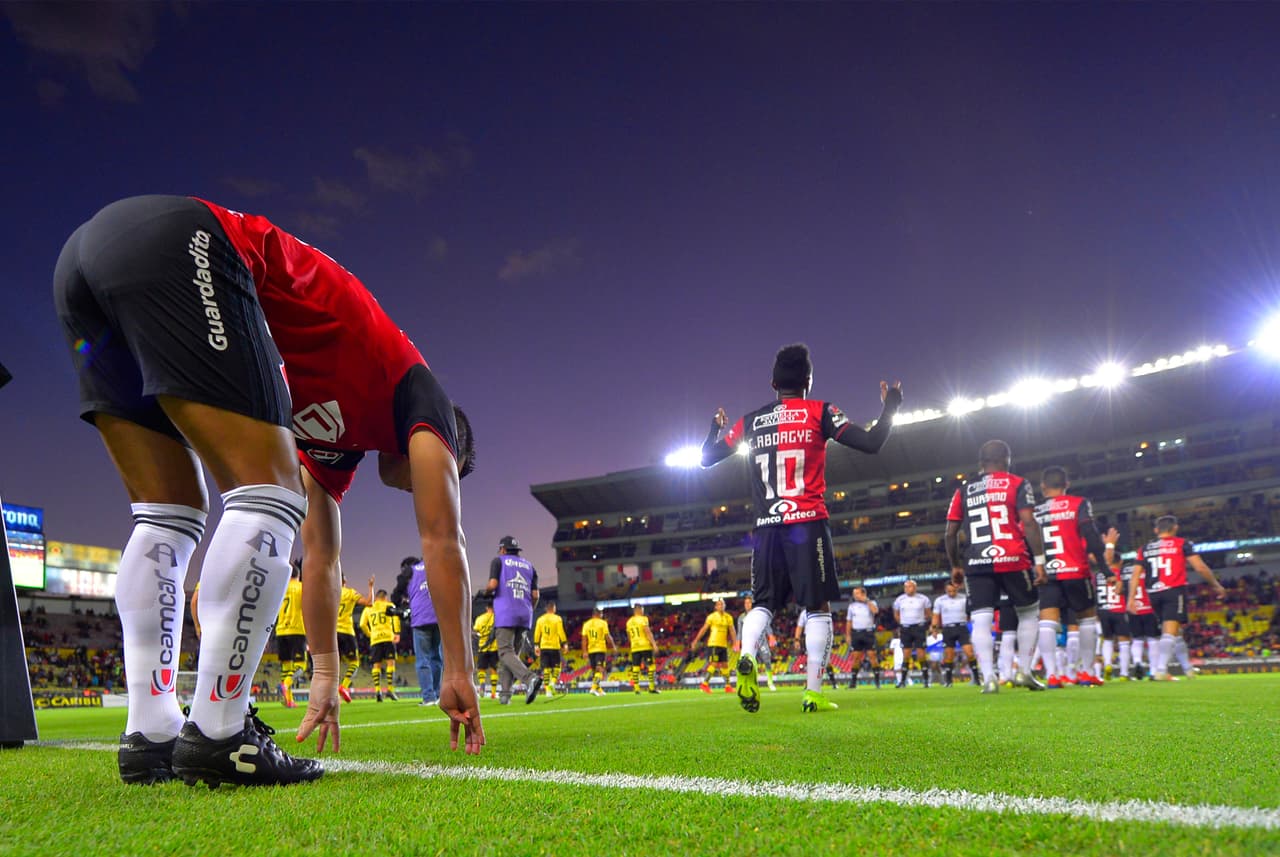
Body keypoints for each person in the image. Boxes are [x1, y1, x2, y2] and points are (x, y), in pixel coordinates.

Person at [54, 195, 483, 787]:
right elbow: (442, 538)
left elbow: (323, 558)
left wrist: (327, 670)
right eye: (450, 473)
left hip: (87, 263)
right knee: (266, 494)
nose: (429, 484)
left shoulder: (341, 438)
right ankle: (221, 733)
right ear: (450, 448)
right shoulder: (419, 393)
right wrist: (460, 667)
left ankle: (150, 731)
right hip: (190, 245)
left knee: (170, 513)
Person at [700, 343, 902, 714]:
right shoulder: (820, 411)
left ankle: (746, 656)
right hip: (807, 523)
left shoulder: (751, 421)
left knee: (763, 603)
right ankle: (812, 693)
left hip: (766, 528)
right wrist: (892, 406)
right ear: (808, 381)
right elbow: (872, 443)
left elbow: (706, 459)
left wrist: (714, 429)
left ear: (773, 382)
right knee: (817, 606)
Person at [944, 440, 1048, 694]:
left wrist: (955, 565)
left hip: (977, 560)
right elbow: (1029, 522)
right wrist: (1040, 561)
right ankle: (1024, 671)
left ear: (981, 463)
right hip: (1013, 557)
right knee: (1028, 612)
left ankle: (989, 678)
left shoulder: (964, 489)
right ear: (1007, 459)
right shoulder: (1018, 483)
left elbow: (949, 533)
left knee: (981, 618)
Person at [1032, 466, 1115, 689]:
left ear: (1043, 487)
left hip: (1047, 573)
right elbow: (1091, 535)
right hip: (1076, 570)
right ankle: (1087, 673)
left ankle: (1052, 675)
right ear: (1066, 484)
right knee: (1086, 620)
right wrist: (1106, 570)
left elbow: (1027, 539)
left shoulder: (1034, 511)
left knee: (1048, 623)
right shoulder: (1079, 503)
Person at [1126, 516, 1226, 680]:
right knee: (1170, 632)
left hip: (1153, 593)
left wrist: (1131, 599)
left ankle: (1188, 669)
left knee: (1175, 632)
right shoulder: (1182, 543)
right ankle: (1160, 670)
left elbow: (1135, 575)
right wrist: (1215, 584)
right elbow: (1200, 567)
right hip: (1173, 591)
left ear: (1156, 530)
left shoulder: (1144, 548)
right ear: (1175, 528)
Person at [485, 536, 543, 704]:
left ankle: (530, 678)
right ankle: (505, 696)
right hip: (525, 614)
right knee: (512, 656)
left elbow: (493, 585)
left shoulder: (498, 561)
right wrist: (529, 610)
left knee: (504, 652)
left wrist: (484, 592)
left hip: (506, 613)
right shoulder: (529, 566)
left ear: (503, 549)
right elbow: (535, 596)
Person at [408, 559, 444, 706]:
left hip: (421, 619)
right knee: (437, 657)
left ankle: (428, 697)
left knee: (423, 660)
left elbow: (405, 592)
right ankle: (436, 695)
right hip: (439, 617)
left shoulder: (413, 570)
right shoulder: (441, 565)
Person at [931, 582, 978, 687]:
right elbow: (935, 616)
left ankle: (976, 679)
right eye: (949, 591)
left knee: (969, 653)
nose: (951, 593)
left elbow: (971, 613)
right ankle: (948, 681)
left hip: (962, 628)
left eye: (953, 591)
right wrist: (934, 629)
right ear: (945, 590)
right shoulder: (940, 600)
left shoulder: (964, 598)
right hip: (948, 629)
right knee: (949, 656)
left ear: (957, 589)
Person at [337, 574, 375, 702]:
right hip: (346, 631)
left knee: (332, 666)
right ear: (345, 581)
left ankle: (328, 695)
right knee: (354, 663)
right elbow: (369, 603)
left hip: (331, 633)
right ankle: (344, 686)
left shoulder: (329, 592)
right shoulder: (350, 593)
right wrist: (371, 587)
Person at [275, 561, 307, 709]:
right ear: (299, 575)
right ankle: (286, 684)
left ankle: (289, 700)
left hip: (281, 631)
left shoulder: (279, 589)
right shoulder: (302, 588)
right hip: (297, 630)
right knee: (301, 666)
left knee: (286, 667)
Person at [359, 589, 400, 701]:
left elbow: (362, 624)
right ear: (385, 597)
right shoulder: (389, 605)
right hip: (388, 637)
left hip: (375, 639)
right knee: (390, 664)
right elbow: (395, 619)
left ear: (376, 597)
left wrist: (370, 634)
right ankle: (390, 690)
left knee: (376, 665)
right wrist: (396, 633)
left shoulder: (368, 607)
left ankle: (378, 692)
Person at [690, 598, 738, 694]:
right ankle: (704, 684)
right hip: (713, 643)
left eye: (722, 604)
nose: (721, 606)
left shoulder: (728, 617)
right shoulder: (711, 617)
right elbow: (704, 629)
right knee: (714, 664)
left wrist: (735, 642)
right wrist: (695, 640)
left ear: (725, 606)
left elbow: (732, 631)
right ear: (716, 607)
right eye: (719, 604)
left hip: (723, 645)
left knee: (725, 665)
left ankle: (728, 686)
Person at [892, 580, 931, 688]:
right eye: (906, 587)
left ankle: (926, 681)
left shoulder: (924, 599)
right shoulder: (899, 599)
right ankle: (902, 681)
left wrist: (921, 622)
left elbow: (928, 614)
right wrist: (903, 622)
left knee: (921, 654)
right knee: (906, 655)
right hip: (906, 629)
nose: (909, 588)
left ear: (915, 587)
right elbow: (896, 614)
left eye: (911, 586)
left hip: (919, 628)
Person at [736, 596, 776, 692]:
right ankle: (749, 683)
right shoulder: (741, 618)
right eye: (746, 603)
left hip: (761, 641)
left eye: (749, 603)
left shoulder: (758, 615)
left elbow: (766, 626)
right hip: (748, 643)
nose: (747, 605)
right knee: (748, 662)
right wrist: (737, 642)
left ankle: (770, 682)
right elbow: (739, 631)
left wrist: (770, 635)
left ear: (752, 604)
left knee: (767, 660)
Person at [844, 587, 880, 689]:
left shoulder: (871, 603)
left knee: (872, 656)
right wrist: (848, 635)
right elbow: (849, 621)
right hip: (856, 633)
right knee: (856, 658)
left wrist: (866, 600)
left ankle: (877, 682)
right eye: (854, 594)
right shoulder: (852, 606)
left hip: (868, 633)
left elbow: (875, 611)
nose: (855, 595)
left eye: (857, 593)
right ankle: (853, 682)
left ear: (863, 594)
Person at [532, 601, 569, 698]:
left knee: (546, 669)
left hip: (544, 647)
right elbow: (561, 632)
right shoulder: (557, 619)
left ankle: (548, 691)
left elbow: (537, 633)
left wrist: (536, 645)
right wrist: (564, 643)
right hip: (554, 646)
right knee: (557, 668)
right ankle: (553, 683)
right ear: (553, 608)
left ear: (546, 609)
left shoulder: (540, 619)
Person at [581, 607, 617, 697]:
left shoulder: (586, 624)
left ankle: (599, 690)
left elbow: (584, 640)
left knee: (595, 671)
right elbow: (607, 636)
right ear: (598, 614)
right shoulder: (602, 623)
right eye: (601, 614)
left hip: (591, 650)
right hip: (600, 649)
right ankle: (593, 688)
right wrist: (613, 646)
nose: (602, 615)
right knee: (600, 670)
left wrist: (584, 651)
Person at [625, 604, 660, 694]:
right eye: (642, 609)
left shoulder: (629, 622)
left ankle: (636, 689)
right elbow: (648, 632)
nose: (643, 611)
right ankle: (651, 688)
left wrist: (633, 643)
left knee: (636, 667)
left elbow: (628, 637)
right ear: (639, 610)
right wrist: (654, 644)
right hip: (644, 645)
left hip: (634, 647)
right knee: (651, 666)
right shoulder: (643, 619)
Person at [473, 603, 500, 699]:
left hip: (482, 647)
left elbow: (475, 633)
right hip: (494, 647)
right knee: (494, 670)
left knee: (481, 669)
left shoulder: (479, 618)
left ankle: (482, 683)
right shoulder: (497, 618)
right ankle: (493, 693)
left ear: (486, 607)